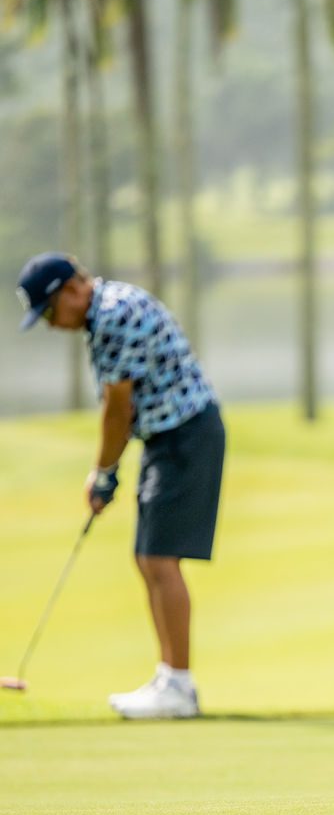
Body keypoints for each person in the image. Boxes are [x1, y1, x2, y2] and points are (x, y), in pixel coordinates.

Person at [15, 253, 225, 719]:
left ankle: (179, 686)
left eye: (50, 312)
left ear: (72, 290)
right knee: (149, 557)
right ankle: (170, 679)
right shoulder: (107, 310)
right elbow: (125, 410)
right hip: (168, 437)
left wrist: (104, 474)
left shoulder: (111, 316)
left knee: (158, 558)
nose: (51, 324)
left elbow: (117, 408)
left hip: (186, 435)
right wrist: (108, 473)